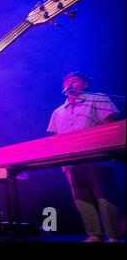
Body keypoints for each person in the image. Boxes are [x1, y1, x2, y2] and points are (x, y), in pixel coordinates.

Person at [47, 71, 123, 242]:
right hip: (70, 161)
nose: (69, 84)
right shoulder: (58, 111)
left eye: (74, 80)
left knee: (104, 194)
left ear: (85, 84)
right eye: (66, 81)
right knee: (81, 197)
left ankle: (114, 236)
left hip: (96, 157)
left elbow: (109, 123)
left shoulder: (98, 98)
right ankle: (94, 234)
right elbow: (54, 139)